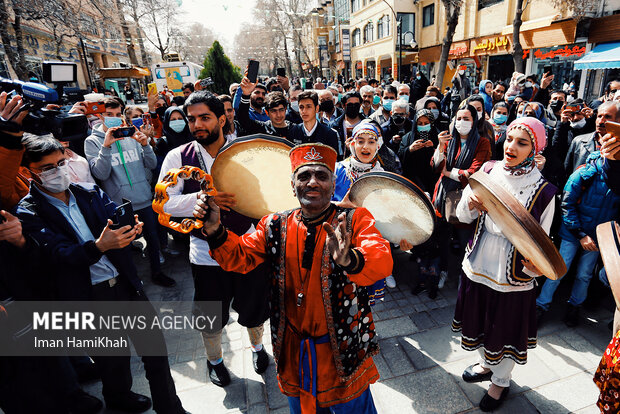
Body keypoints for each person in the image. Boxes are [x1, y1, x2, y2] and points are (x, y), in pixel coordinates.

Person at [194, 142, 393, 413]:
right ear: (292, 185)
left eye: (321, 176)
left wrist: (350, 259)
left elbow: (381, 260)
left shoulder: (353, 219)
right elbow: (239, 257)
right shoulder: (273, 223)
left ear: (333, 184)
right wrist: (215, 228)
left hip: (342, 348)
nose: (312, 182)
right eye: (304, 176)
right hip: (293, 349)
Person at [16, 134, 187, 414]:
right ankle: (119, 399)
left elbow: (114, 218)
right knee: (112, 361)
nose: (59, 171)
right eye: (48, 168)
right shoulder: (29, 213)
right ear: (27, 171)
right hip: (88, 297)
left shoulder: (89, 193)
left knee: (155, 352)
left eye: (61, 163)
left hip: (126, 285)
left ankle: (170, 406)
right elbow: (57, 255)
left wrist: (130, 229)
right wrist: (98, 246)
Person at [158, 91, 270, 387]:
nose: (197, 124)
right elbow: (164, 201)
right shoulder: (177, 157)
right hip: (204, 252)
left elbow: (265, 192)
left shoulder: (244, 153)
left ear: (222, 118)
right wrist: (202, 197)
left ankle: (259, 348)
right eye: (191, 119)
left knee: (253, 306)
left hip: (246, 246)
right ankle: (215, 360)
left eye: (204, 117)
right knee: (210, 313)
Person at [451, 117, 556, 412]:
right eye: (509, 139)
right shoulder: (488, 171)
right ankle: (486, 363)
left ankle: (501, 381)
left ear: (535, 149)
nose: (511, 146)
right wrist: (470, 204)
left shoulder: (545, 190)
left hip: (511, 272)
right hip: (480, 259)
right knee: (480, 320)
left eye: (522, 143)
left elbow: (541, 240)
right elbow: (463, 216)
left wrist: (534, 267)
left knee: (504, 327)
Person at [84, 98, 176, 288]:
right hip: (119, 204)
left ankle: (157, 273)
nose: (114, 119)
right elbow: (100, 173)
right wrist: (106, 147)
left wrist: (145, 145)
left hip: (143, 198)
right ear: (100, 115)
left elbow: (150, 164)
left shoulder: (131, 135)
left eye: (118, 115)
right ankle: (133, 282)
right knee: (124, 246)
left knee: (153, 239)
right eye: (109, 115)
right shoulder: (92, 142)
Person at [536, 148, 620, 326]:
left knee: (584, 275)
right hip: (573, 233)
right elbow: (567, 204)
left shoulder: (618, 179)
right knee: (558, 270)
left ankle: (574, 306)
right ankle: (540, 306)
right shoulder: (584, 173)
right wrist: (580, 234)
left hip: (598, 237)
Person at [430, 105, 491, 292]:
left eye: (466, 119)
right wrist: (440, 147)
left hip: (466, 200)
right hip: (442, 198)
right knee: (442, 239)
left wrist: (447, 172)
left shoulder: (482, 143)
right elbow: (434, 166)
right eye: (458, 118)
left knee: (466, 240)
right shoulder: (448, 141)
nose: (461, 123)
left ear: (474, 122)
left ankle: (466, 277)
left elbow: (473, 172)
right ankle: (443, 271)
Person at [565, 101, 620, 177]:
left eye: (607, 117)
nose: (601, 121)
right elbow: (567, 172)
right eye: (599, 116)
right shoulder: (578, 141)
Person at [288, 91, 340, 156]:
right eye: (301, 107)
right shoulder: (293, 132)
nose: (304, 111)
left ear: (317, 108)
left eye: (308, 107)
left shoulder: (329, 133)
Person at [398, 109, 438, 193]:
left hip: (432, 180)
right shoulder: (407, 138)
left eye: (426, 123)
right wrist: (409, 149)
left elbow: (443, 158)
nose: (423, 126)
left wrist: (433, 149)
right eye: (420, 123)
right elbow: (399, 157)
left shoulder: (437, 136)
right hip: (413, 180)